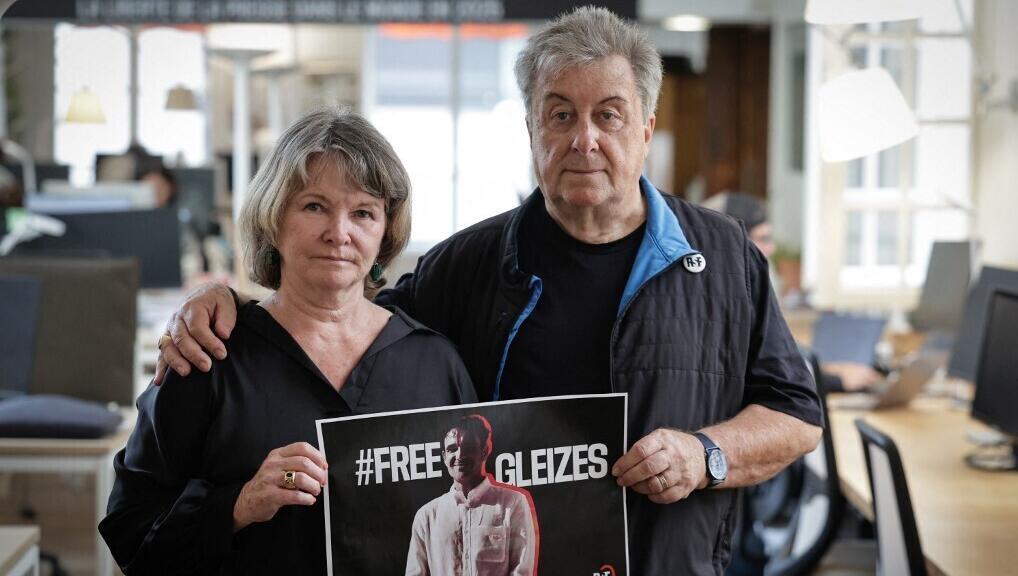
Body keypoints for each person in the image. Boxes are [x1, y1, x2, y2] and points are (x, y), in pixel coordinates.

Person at [155, 8, 822, 574]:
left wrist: (706, 455)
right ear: (532, 129)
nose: (584, 139)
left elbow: (796, 415)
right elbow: (340, 329)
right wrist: (232, 307)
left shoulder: (725, 256)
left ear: (645, 127)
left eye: (608, 116)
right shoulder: (466, 264)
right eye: (560, 114)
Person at [99, 107, 476, 574]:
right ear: (274, 219)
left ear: (384, 233)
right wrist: (236, 506)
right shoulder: (208, 354)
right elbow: (128, 527)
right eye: (314, 206)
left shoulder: (435, 365)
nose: (339, 233)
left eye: (363, 212)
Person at [703, 191, 884, 393]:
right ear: (732, 241)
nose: (771, 249)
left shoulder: (739, 291)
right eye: (763, 238)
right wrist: (836, 381)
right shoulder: (719, 304)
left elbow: (773, 359)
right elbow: (762, 376)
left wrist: (826, 370)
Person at [406, 414, 537, 576]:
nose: (459, 455)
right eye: (452, 449)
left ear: (484, 451)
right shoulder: (426, 516)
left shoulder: (513, 503)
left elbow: (521, 571)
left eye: (467, 447)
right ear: (444, 457)